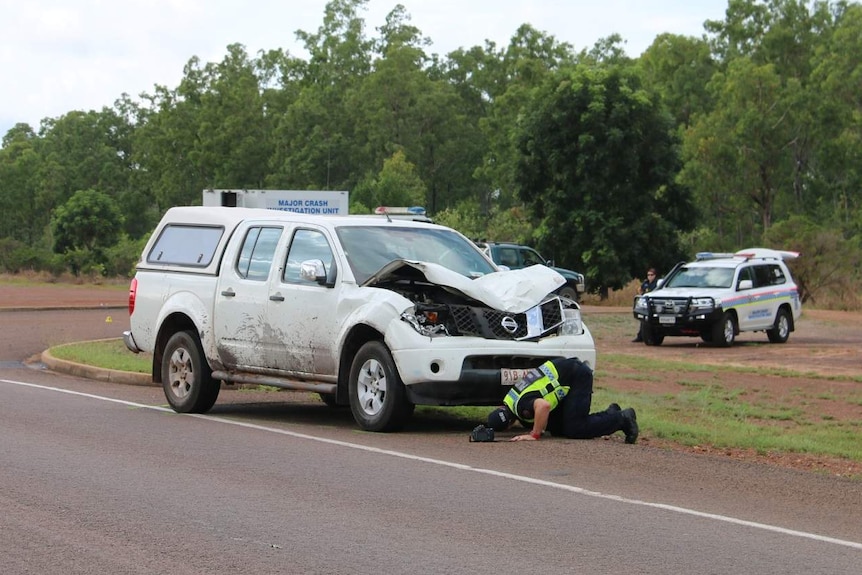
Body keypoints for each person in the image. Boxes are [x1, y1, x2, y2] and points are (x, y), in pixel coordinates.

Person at [486, 357, 638, 443]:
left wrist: (534, 435)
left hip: (576, 376)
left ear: (508, 427)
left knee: (575, 428)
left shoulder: (521, 408)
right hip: (566, 369)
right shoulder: (510, 398)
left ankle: (622, 419)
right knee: (558, 428)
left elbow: (544, 406)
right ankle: (610, 414)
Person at [632, 267, 659, 342]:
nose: (650, 276)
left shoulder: (657, 283)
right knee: (643, 320)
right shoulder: (646, 282)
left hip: (653, 304)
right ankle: (640, 336)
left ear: (655, 275)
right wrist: (641, 293)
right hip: (645, 303)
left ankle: (649, 336)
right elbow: (640, 289)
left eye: (651, 275)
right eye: (648, 275)